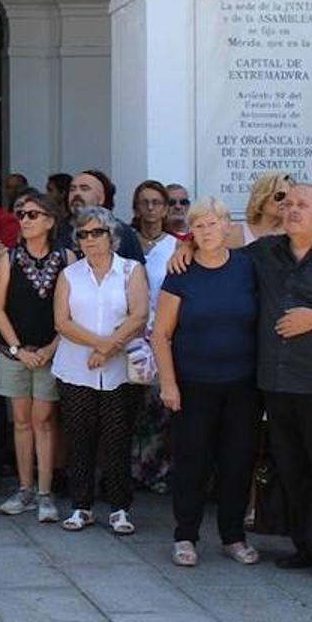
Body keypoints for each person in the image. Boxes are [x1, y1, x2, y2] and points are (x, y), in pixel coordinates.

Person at [171, 184, 312, 583]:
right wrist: (186, 247)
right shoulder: (266, 253)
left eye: (304, 204)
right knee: (292, 468)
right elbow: (213, 241)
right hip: (277, 385)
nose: (293, 210)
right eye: (288, 204)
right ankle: (305, 545)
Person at [151, 197, 261, 567]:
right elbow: (161, 334)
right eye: (198, 226)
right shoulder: (180, 272)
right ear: (190, 233)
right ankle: (185, 536)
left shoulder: (248, 267)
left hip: (242, 384)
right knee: (191, 462)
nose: (207, 231)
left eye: (214, 224)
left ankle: (233, 536)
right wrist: (169, 383)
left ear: (228, 227)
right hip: (193, 384)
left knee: (238, 460)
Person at [52, 206, 149, 535]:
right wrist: (100, 345)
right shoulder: (70, 275)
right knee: (79, 439)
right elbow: (62, 321)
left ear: (111, 236)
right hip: (76, 369)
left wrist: (108, 348)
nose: (90, 240)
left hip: (120, 371)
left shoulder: (130, 270)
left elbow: (138, 315)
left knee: (118, 439)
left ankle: (120, 507)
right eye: (83, 234)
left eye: (97, 233)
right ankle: (82, 506)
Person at [0, 190, 72, 522]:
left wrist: (51, 348)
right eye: (21, 214)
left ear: (50, 221)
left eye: (33, 215)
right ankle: (24, 487)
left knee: (44, 421)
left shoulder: (67, 258)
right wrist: (17, 350)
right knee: (21, 421)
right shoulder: (9, 258)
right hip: (14, 354)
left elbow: (72, 309)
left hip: (52, 351)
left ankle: (45, 492)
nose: (25, 220)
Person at [130, 180, 177, 493]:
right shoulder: (125, 240)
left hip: (162, 333)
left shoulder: (175, 245)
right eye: (144, 202)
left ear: (165, 207)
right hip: (127, 332)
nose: (150, 208)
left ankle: (156, 471)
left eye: (156, 202)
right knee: (130, 406)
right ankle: (127, 472)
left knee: (159, 407)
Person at [65, 171, 146, 263]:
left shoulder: (122, 232)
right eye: (72, 189)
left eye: (84, 189)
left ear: (101, 198)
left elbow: (137, 270)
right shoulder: (56, 230)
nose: (76, 193)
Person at [228, 171, 292, 247]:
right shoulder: (237, 233)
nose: (285, 202)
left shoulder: (295, 234)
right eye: (280, 196)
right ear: (262, 198)